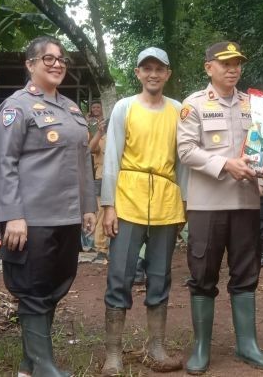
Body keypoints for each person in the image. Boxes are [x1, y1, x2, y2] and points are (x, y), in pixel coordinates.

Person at [0, 36, 97, 377]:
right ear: (31, 64)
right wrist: (12, 216)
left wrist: (88, 206)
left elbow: (84, 162)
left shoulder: (71, 108)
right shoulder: (16, 107)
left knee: (56, 286)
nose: (57, 64)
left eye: (61, 59)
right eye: (48, 59)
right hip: (32, 218)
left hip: (67, 217)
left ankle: (29, 365)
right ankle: (45, 367)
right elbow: (4, 163)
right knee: (34, 290)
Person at [177, 41, 263, 374]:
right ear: (209, 68)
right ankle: (202, 347)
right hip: (207, 206)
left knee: (246, 274)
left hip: (246, 202)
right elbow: (186, 151)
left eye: (237, 64)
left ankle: (247, 344)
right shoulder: (195, 105)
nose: (233, 69)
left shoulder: (255, 106)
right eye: (225, 63)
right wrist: (225, 164)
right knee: (203, 274)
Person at [99, 47, 185, 375]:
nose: (153, 74)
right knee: (120, 273)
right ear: (137, 73)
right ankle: (114, 353)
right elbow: (111, 157)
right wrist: (108, 205)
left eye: (159, 69)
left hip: (165, 197)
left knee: (160, 274)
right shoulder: (124, 107)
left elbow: (184, 160)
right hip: (129, 196)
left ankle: (157, 346)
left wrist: (185, 204)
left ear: (167, 74)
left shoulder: (178, 110)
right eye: (146, 68)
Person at [89, 118, 109, 262]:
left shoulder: (122, 137)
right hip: (102, 178)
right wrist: (99, 132)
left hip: (121, 179)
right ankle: (101, 249)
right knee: (102, 213)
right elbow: (90, 149)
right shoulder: (101, 139)